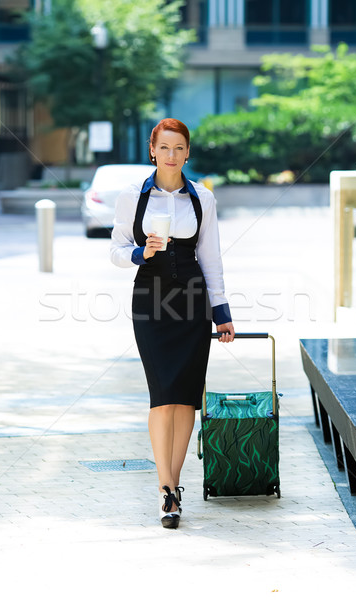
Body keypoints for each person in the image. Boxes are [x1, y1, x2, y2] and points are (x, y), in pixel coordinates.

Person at [110, 118, 235, 528]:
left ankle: (172, 489)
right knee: (161, 395)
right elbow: (115, 249)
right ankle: (165, 487)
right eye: (164, 147)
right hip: (150, 300)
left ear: (187, 152)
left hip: (193, 302)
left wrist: (222, 313)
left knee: (185, 399)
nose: (171, 155)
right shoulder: (133, 195)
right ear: (152, 150)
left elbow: (212, 258)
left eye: (179, 148)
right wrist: (139, 253)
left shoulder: (202, 197)